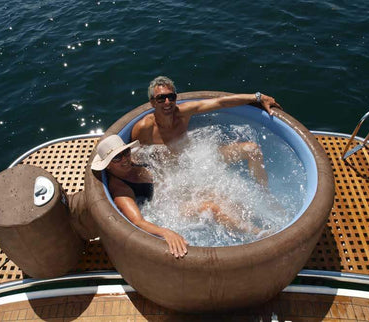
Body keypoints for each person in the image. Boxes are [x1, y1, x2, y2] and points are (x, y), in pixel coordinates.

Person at [91, 135, 267, 258]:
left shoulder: (133, 159)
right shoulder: (121, 190)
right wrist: (166, 232)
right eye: (117, 158)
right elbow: (138, 222)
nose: (124, 159)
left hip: (173, 191)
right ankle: (258, 235)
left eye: (125, 153)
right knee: (210, 207)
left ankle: (254, 219)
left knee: (218, 193)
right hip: (166, 207)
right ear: (107, 166)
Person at [131, 76, 283, 186]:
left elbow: (220, 102)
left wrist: (258, 97)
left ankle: (265, 194)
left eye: (171, 97)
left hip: (197, 158)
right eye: (161, 98)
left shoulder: (183, 113)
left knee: (252, 149)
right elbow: (133, 159)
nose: (167, 102)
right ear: (152, 103)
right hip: (173, 175)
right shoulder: (144, 128)